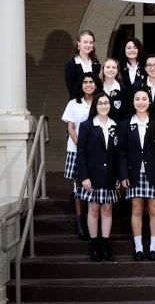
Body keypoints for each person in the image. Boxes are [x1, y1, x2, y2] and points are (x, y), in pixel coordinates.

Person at [119, 88, 155, 261]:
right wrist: (123, 174)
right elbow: (122, 152)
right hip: (134, 174)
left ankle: (154, 247)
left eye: (144, 99)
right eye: (137, 99)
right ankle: (139, 247)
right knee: (137, 208)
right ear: (133, 102)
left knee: (154, 208)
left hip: (154, 173)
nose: (141, 102)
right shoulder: (126, 124)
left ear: (149, 101)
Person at [77, 92, 120, 262]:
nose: (104, 106)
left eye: (106, 103)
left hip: (109, 175)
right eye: (100, 103)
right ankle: (94, 245)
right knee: (93, 209)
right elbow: (81, 153)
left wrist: (118, 176)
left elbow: (118, 155)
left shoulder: (115, 125)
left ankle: (105, 244)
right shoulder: (87, 126)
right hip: (92, 176)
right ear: (95, 106)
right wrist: (84, 176)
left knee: (107, 209)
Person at [62, 72, 103, 240]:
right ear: (81, 85)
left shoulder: (100, 101)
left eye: (91, 82)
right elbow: (70, 127)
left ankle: (93, 222)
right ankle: (80, 224)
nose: (88, 85)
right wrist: (81, 146)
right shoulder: (74, 103)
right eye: (85, 82)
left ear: (96, 84)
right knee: (78, 188)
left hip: (97, 152)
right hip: (76, 149)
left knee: (93, 186)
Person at [64, 30, 101, 99]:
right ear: (79, 43)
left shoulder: (96, 64)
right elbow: (71, 89)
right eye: (85, 42)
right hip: (77, 103)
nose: (88, 45)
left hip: (93, 103)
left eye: (91, 42)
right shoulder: (71, 64)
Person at [100, 58, 130, 122]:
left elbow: (126, 112)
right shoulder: (97, 87)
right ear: (103, 69)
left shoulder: (123, 89)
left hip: (117, 127)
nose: (111, 70)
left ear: (117, 70)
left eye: (114, 67)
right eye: (108, 67)